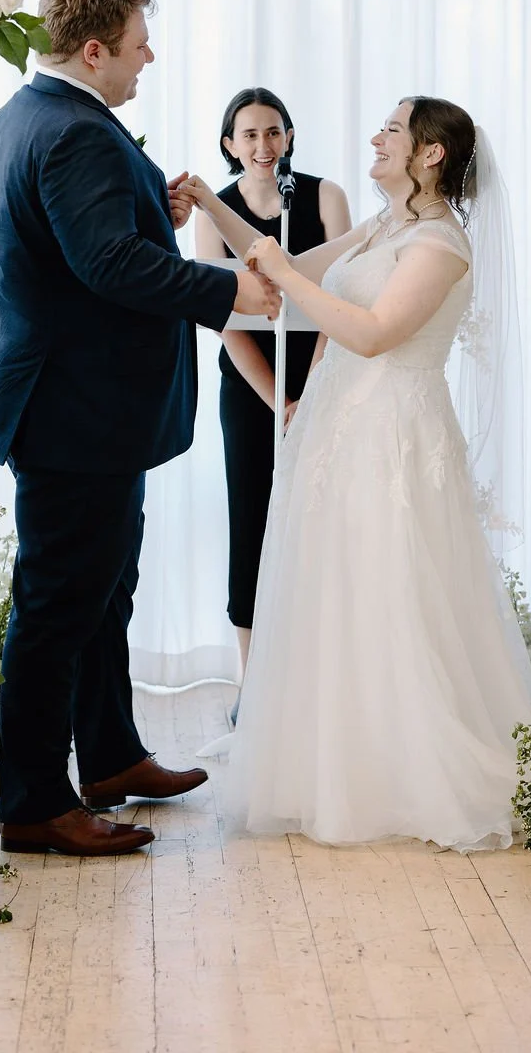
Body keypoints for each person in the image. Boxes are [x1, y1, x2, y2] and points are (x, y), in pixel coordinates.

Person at [0, 0, 280, 857]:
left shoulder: (33, 116)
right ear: (98, 48)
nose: (150, 58)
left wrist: (161, 200)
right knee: (59, 603)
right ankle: (34, 801)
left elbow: (91, 241)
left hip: (84, 409)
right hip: (77, 412)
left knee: (105, 591)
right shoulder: (73, 133)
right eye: (140, 43)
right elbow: (109, 265)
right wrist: (231, 291)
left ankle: (109, 757)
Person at [183, 97, 531, 849]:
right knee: (337, 587)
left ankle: (407, 770)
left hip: (394, 436)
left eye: (391, 127)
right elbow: (280, 265)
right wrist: (211, 202)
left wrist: (284, 269)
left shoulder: (440, 243)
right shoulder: (385, 227)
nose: (374, 137)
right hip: (338, 432)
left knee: (392, 590)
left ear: (430, 154)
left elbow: (375, 335)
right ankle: (333, 763)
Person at [195, 88, 351, 681]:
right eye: (251, 135)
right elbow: (221, 319)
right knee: (253, 517)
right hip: (250, 389)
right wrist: (278, 403)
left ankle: (320, 672)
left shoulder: (324, 197)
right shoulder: (216, 212)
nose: (264, 145)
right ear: (230, 145)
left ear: (288, 137)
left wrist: (310, 396)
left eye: (274, 132)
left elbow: (343, 296)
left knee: (325, 516)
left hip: (326, 376)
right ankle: (253, 679)